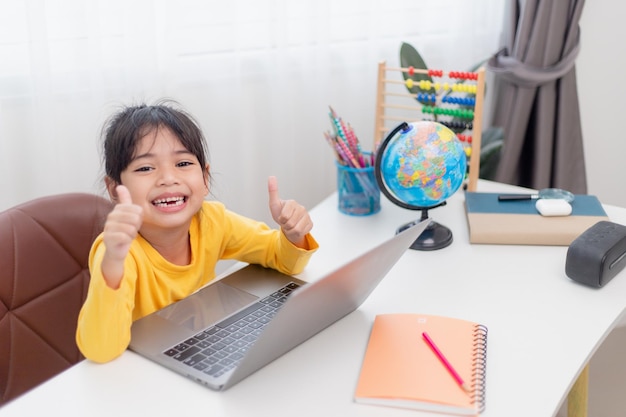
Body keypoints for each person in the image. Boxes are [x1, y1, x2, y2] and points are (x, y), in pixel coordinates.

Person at [76, 101, 318, 363]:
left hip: (200, 352)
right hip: (147, 374)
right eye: (145, 168)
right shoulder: (116, 253)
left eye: (182, 163)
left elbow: (280, 257)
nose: (168, 178)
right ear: (114, 189)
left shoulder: (211, 221)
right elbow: (100, 350)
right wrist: (112, 265)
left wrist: (293, 234)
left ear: (204, 178)